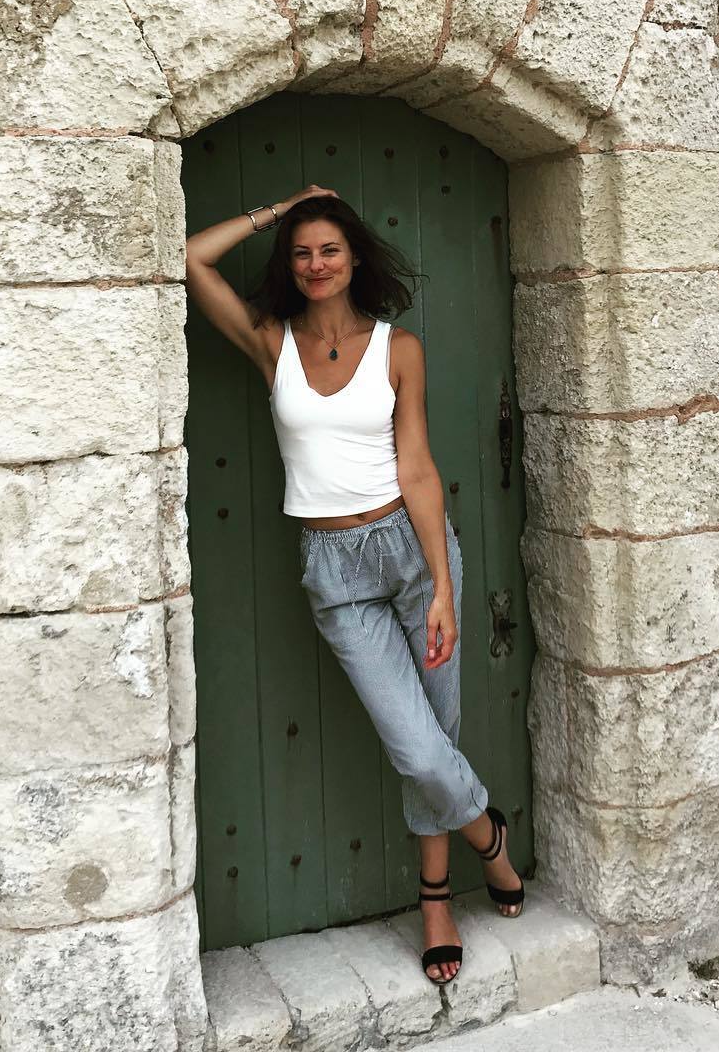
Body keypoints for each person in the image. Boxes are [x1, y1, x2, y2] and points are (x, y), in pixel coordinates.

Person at [184, 183, 526, 985]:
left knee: (435, 736)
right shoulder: (271, 341)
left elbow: (418, 468)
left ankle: (435, 899)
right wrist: (280, 209)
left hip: (413, 552)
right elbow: (192, 259)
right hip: (334, 567)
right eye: (302, 252)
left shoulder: (397, 348)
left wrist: (442, 587)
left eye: (330, 249)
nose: (316, 264)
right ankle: (490, 837)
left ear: (355, 259)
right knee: (418, 746)